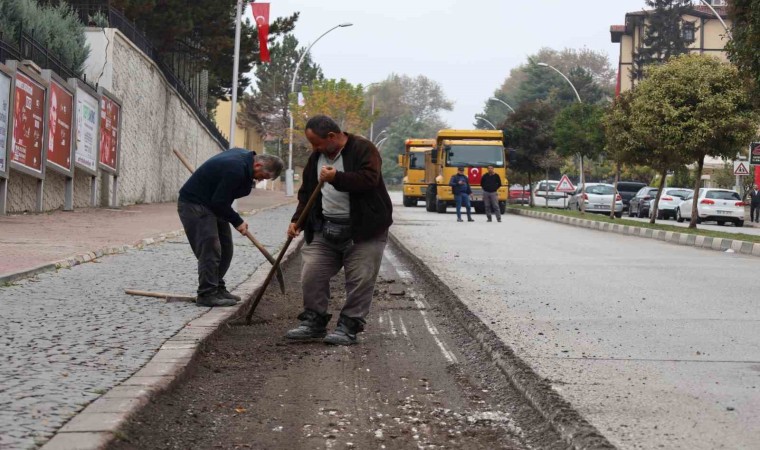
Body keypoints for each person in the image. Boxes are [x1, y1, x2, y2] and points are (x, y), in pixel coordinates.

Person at [285, 115, 393, 346]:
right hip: (325, 229)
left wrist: (337, 177)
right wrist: (297, 221)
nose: (314, 148)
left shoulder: (363, 149)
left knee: (360, 279)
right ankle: (314, 321)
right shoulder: (317, 158)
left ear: (332, 137)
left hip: (363, 231)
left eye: (317, 143)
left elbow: (369, 180)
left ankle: (348, 326)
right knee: (311, 273)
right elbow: (307, 194)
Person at [178, 149, 283, 307]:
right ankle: (206, 294)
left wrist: (234, 219)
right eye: (264, 176)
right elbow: (220, 202)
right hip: (195, 205)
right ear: (258, 165)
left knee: (226, 247)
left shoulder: (244, 161)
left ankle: (218, 287)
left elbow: (221, 199)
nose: (261, 181)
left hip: (212, 203)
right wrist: (237, 221)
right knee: (210, 248)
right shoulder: (236, 168)